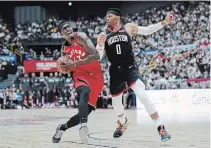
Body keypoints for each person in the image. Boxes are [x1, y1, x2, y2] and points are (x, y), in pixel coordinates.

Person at [97, 8, 173, 142]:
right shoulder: (104, 34)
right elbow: (99, 56)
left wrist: (164, 22)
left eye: (110, 16)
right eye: (106, 17)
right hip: (115, 71)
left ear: (117, 17)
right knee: (116, 104)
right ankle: (123, 122)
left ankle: (160, 127)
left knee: (142, 94)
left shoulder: (128, 28)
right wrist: (99, 45)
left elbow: (147, 30)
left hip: (130, 69)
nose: (107, 19)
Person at [52, 20, 104, 144]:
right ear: (61, 33)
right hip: (80, 74)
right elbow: (67, 64)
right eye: (65, 28)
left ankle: (61, 128)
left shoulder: (81, 37)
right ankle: (84, 126)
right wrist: (65, 67)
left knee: (84, 112)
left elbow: (96, 55)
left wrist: (74, 63)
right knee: (84, 91)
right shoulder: (64, 48)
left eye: (69, 27)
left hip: (96, 76)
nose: (68, 29)